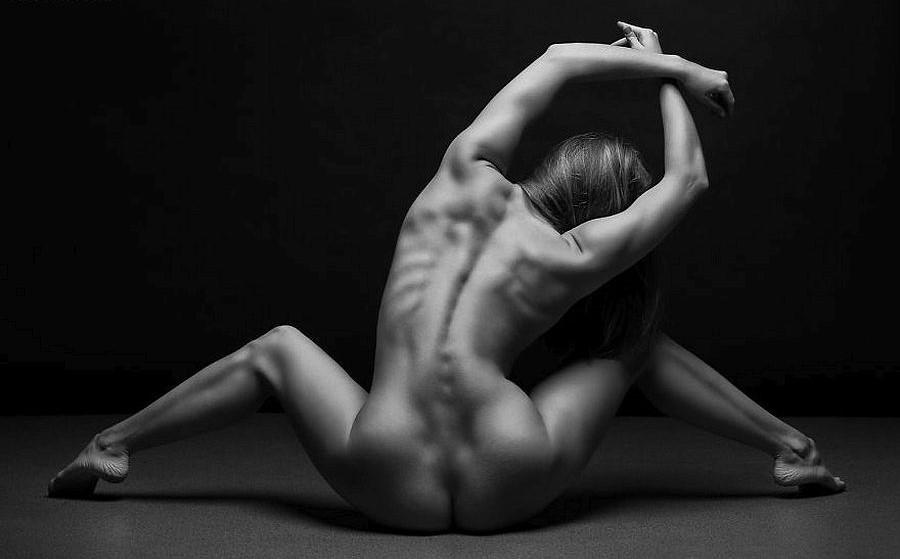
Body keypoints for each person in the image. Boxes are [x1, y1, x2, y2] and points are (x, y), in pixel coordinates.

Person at [48, 21, 845, 533]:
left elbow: (558, 60)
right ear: (603, 211)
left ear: (554, 169)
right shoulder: (577, 255)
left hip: (383, 469)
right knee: (635, 346)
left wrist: (670, 62)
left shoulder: (462, 168)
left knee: (277, 347)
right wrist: (676, 88)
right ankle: (793, 448)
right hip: (509, 473)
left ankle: (113, 445)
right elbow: (689, 181)